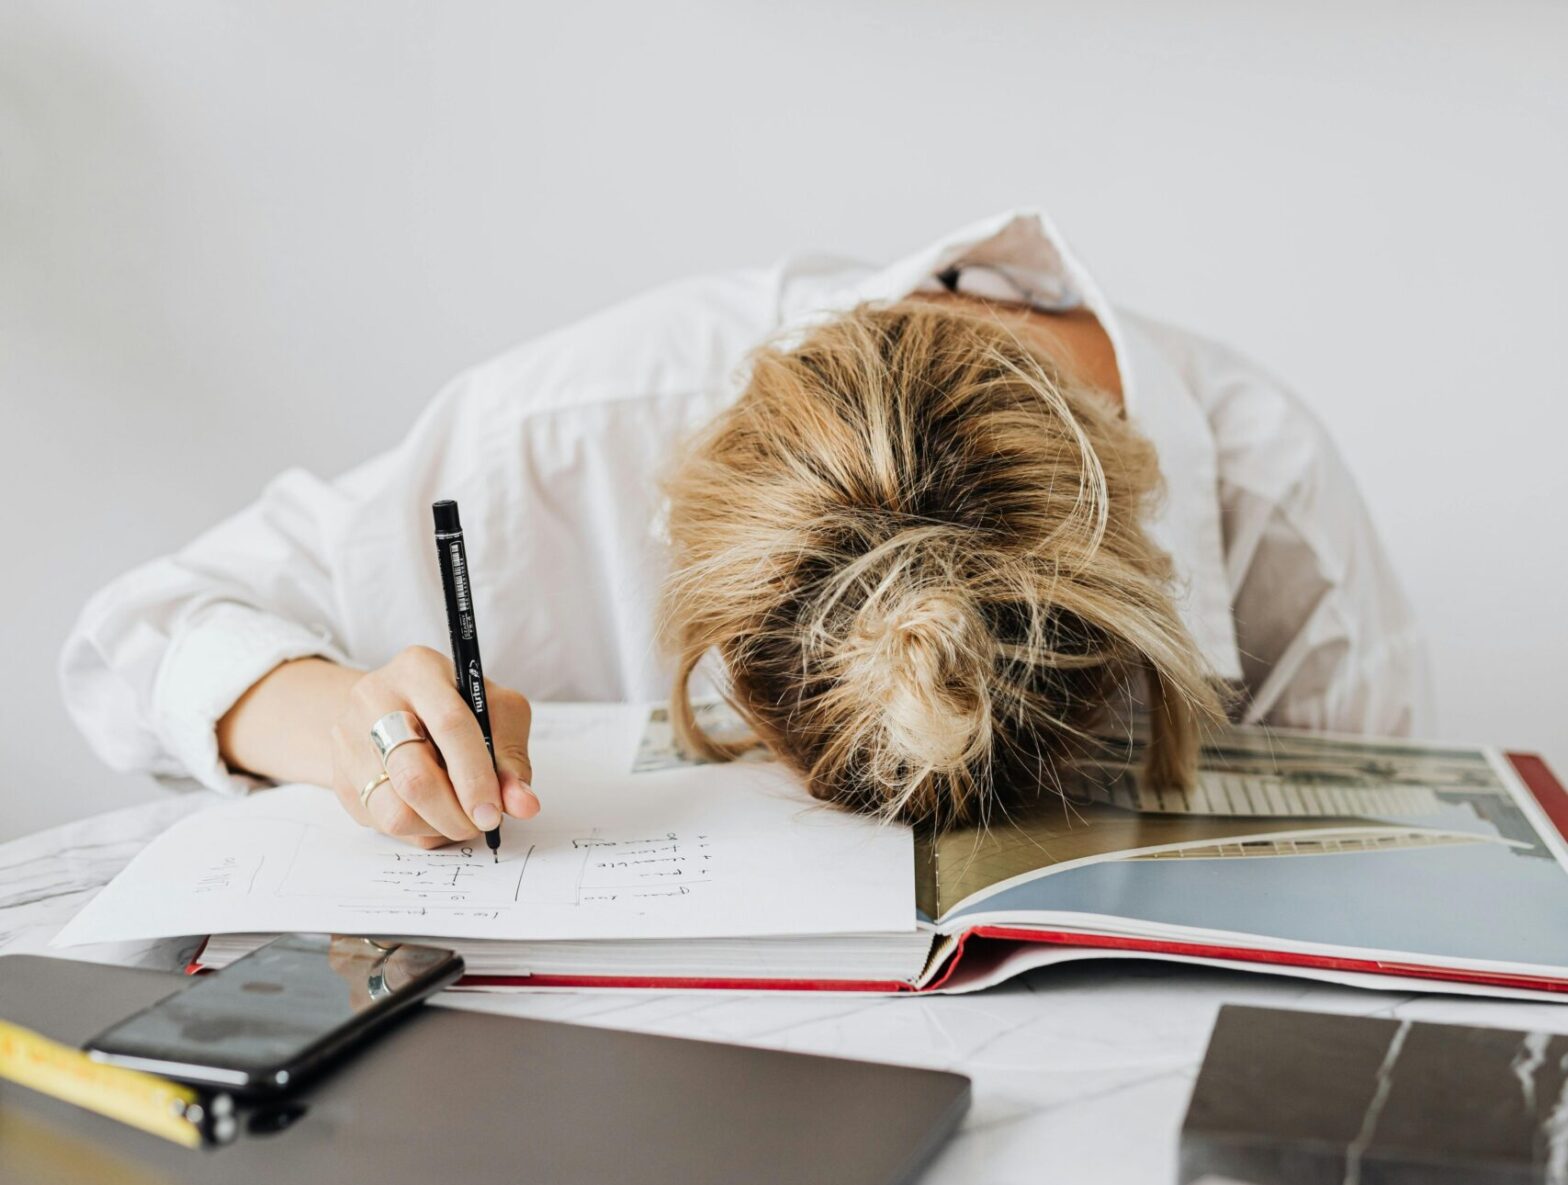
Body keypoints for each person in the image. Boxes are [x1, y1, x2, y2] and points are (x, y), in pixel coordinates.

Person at [60, 209, 1429, 845]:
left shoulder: (1274, 504)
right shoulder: (576, 430)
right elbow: (137, 638)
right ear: (698, 558)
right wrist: (349, 726)